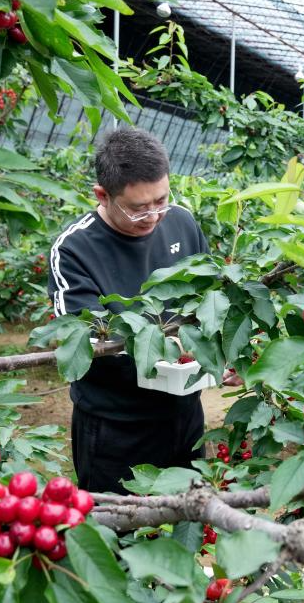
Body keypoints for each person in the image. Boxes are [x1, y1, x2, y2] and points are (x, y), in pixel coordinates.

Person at [48, 127, 210, 494]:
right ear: (103, 196)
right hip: (116, 426)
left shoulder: (181, 221)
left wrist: (223, 354)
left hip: (184, 412)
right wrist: (165, 354)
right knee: (118, 537)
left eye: (162, 200)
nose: (154, 215)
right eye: (139, 208)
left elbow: (209, 298)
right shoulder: (74, 251)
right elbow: (83, 342)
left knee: (184, 529)